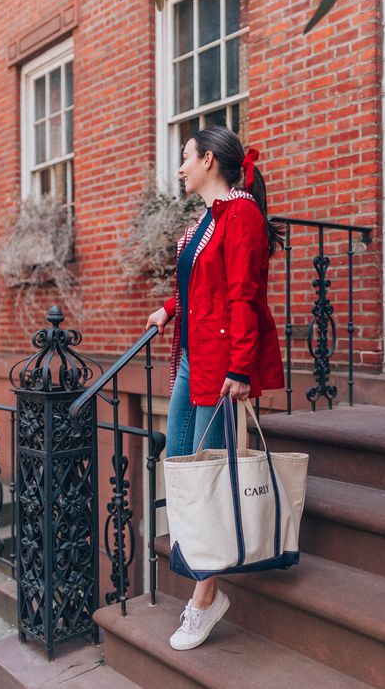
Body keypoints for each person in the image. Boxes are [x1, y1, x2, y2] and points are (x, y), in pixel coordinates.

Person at [145, 125, 285, 651]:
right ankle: (204, 578)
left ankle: (206, 596)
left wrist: (242, 371)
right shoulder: (210, 218)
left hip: (221, 368)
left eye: (185, 158)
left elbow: (244, 295)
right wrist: (168, 308)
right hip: (190, 360)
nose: (180, 168)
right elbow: (204, 284)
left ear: (208, 160)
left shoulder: (242, 214)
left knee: (206, 474)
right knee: (179, 461)